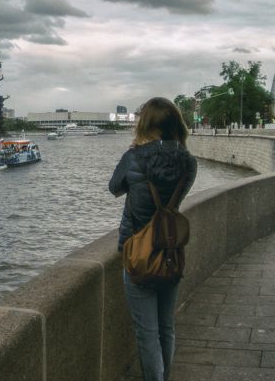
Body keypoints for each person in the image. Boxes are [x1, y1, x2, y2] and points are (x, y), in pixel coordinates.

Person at [109, 97, 197, 381]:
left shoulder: (134, 157)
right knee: (166, 328)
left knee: (146, 334)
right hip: (171, 249)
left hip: (138, 251)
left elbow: (114, 188)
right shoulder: (188, 161)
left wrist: (133, 156)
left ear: (145, 124)